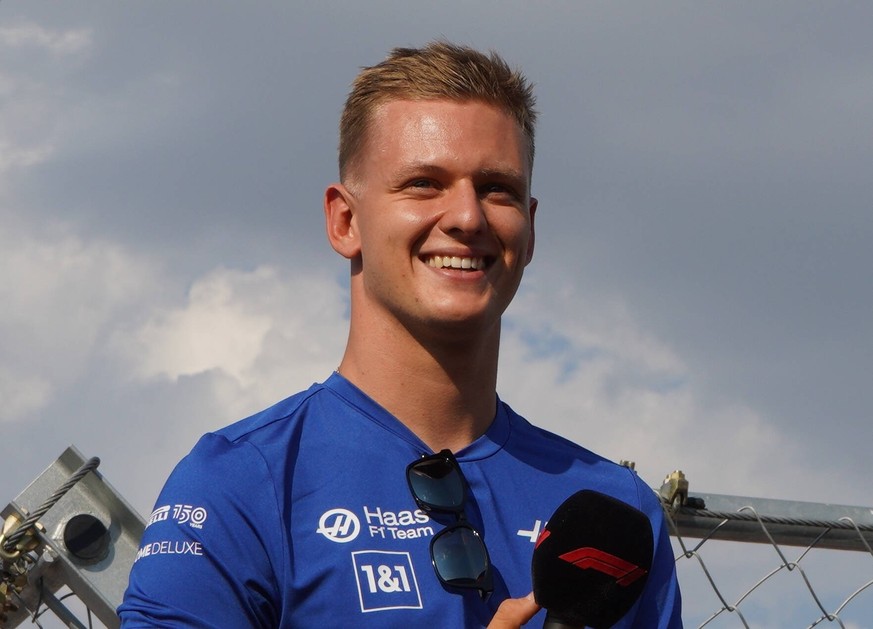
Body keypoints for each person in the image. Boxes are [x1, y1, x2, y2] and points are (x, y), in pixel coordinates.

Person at [119, 41, 682, 628]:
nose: (468, 217)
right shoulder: (244, 483)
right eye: (423, 183)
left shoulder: (615, 514)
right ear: (344, 221)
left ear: (530, 228)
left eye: (497, 189)